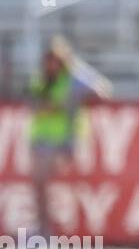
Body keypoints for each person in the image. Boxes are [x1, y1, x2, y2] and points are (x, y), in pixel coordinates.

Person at [27, 36, 111, 238]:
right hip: (40, 140)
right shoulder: (40, 80)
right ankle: (43, 229)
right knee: (39, 185)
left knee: (47, 183)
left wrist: (78, 69)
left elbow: (103, 91)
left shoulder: (73, 79)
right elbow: (38, 106)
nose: (51, 64)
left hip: (63, 142)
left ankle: (49, 229)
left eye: (56, 59)